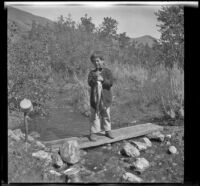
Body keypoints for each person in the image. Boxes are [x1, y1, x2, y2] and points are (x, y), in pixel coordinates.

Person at [88, 51, 115, 141]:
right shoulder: (92, 73)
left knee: (106, 114)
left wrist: (102, 79)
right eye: (94, 61)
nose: (96, 63)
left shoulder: (107, 72)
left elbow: (110, 83)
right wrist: (95, 78)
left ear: (102, 61)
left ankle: (107, 130)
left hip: (106, 99)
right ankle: (94, 132)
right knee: (95, 115)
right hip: (95, 99)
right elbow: (90, 83)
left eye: (98, 60)